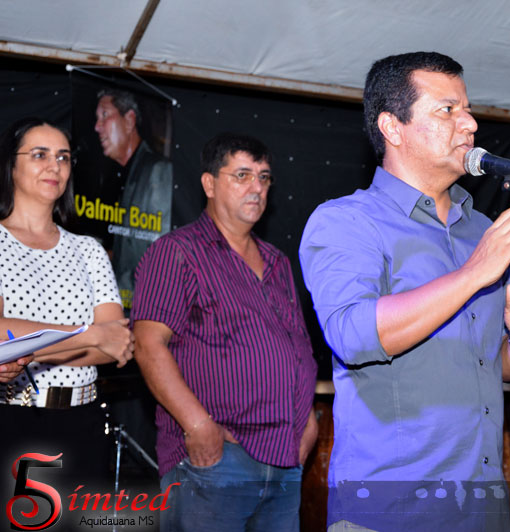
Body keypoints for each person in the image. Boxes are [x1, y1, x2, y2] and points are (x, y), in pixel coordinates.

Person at [299, 51, 510, 531]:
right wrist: (473, 273)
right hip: (392, 512)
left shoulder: (481, 230)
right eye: (447, 110)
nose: (469, 124)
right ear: (392, 127)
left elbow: (497, 368)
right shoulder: (345, 221)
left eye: (468, 109)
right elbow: (352, 335)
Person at [131, 132, 318, 532]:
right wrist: (199, 426)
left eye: (264, 177)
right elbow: (148, 345)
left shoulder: (278, 262)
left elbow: (296, 349)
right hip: (217, 459)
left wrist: (308, 423)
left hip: (285, 459)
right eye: (242, 175)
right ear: (209, 184)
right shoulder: (177, 252)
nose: (257, 187)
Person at [0, 117, 134, 514]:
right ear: (11, 165)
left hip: (83, 421)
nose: (54, 166)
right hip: (13, 419)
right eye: (39, 155)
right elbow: (2, 334)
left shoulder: (88, 249)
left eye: (63, 157)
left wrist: (28, 346)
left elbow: (115, 345)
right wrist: (89, 334)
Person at [93, 89, 173, 310]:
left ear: (129, 120)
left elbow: (159, 255)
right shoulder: (125, 172)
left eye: (104, 115)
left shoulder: (157, 171)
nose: (97, 127)